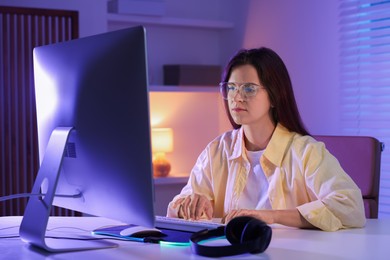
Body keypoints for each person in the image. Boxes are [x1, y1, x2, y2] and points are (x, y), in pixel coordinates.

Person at [167, 47, 366, 232]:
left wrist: (271, 217)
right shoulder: (217, 151)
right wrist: (189, 204)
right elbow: (177, 207)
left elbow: (350, 206)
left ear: (274, 95)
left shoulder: (306, 151)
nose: (237, 97)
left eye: (249, 89)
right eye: (232, 88)